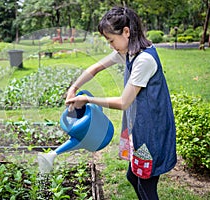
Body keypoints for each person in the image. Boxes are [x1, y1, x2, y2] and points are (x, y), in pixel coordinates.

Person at [65, 6, 177, 200]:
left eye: (111, 40)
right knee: (133, 177)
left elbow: (124, 102)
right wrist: (74, 87)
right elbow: (97, 67)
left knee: (146, 184)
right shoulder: (128, 52)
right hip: (141, 125)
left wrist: (87, 99)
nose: (111, 46)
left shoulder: (144, 60)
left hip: (152, 130)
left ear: (126, 31)